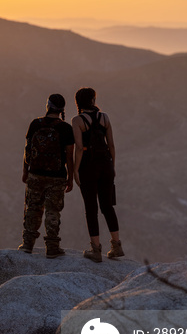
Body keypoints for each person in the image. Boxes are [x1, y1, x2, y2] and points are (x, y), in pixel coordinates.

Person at [19, 94, 74, 258]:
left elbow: (27, 150)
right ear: (62, 110)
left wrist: (25, 171)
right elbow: (69, 157)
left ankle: (27, 244)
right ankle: (52, 247)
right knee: (53, 211)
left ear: (47, 106)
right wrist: (70, 178)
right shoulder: (66, 128)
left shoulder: (35, 124)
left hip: (35, 174)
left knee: (33, 208)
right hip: (57, 177)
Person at [72, 87, 124, 262]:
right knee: (107, 206)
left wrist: (75, 170)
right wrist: (113, 166)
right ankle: (116, 246)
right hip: (106, 165)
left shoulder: (78, 120)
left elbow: (79, 148)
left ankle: (96, 250)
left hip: (88, 167)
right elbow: (112, 146)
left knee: (91, 208)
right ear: (93, 100)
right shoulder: (105, 118)